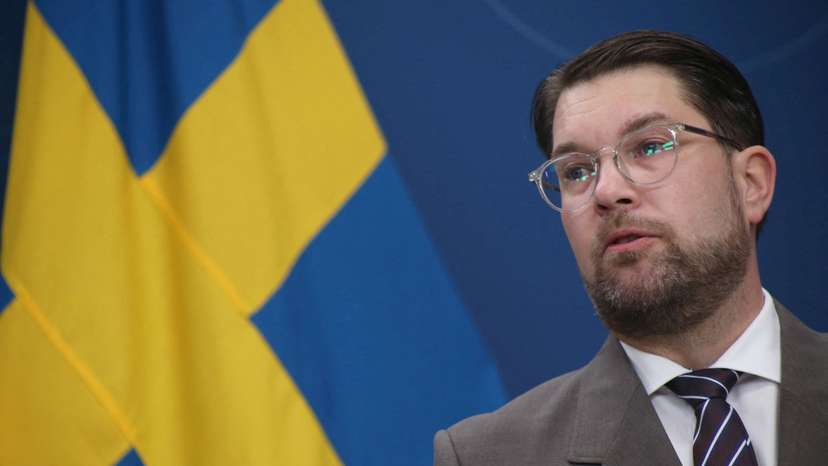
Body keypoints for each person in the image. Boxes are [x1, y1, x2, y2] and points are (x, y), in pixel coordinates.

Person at [433, 30, 828, 466]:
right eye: (577, 171)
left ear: (751, 183)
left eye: (650, 146)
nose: (606, 190)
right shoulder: (490, 457)